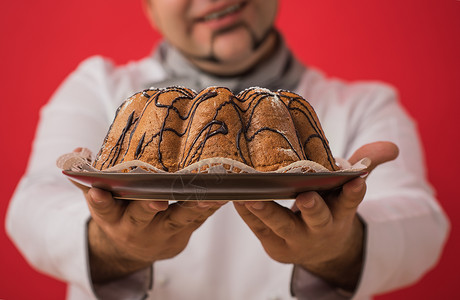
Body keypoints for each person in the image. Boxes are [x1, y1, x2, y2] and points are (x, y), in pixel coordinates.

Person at [6, 0, 449, 299]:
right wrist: (113, 247)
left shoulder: (364, 104)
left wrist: (340, 248)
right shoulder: (99, 89)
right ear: (149, 8)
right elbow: (32, 209)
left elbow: (423, 228)